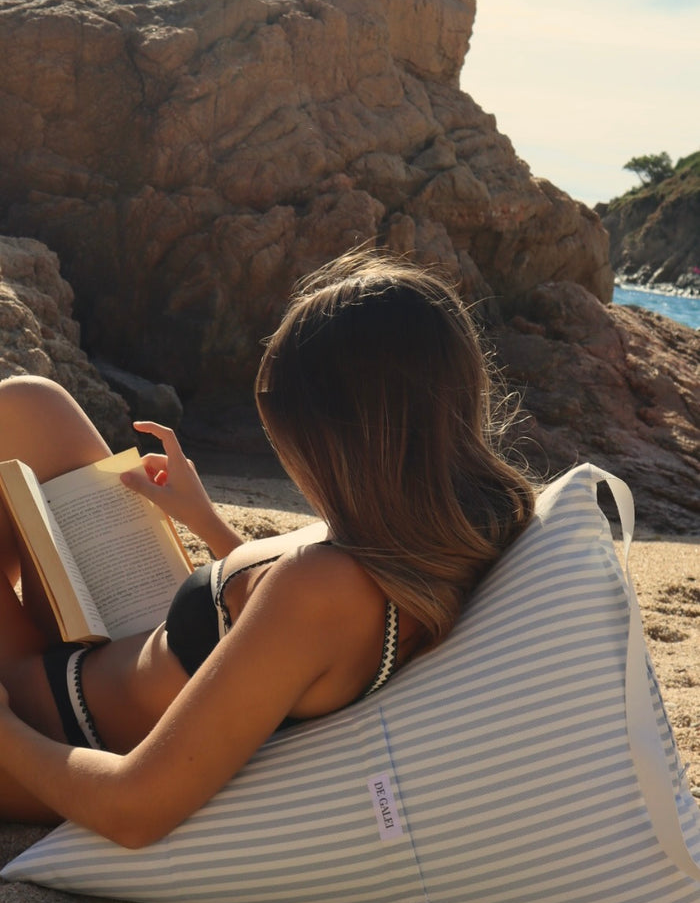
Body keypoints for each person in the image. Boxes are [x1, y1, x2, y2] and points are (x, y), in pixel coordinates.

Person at [0, 251, 535, 847]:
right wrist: (207, 524)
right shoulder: (446, 531)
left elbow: (134, 809)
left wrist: (5, 733)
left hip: (55, 728)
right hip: (119, 654)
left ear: (339, 437)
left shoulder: (324, 591)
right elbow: (282, 640)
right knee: (31, 408)